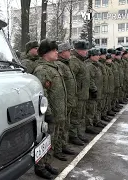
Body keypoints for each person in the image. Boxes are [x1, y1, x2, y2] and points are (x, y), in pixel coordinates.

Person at [32, 39, 64, 178]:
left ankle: (46, 163)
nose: (57, 52)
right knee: (44, 141)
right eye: (54, 50)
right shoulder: (42, 70)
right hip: (48, 114)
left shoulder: (53, 67)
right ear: (46, 53)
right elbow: (41, 95)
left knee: (52, 140)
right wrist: (48, 113)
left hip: (57, 111)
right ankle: (39, 166)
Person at [56, 42, 80, 155]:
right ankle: (58, 148)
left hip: (69, 100)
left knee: (66, 125)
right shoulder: (59, 65)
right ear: (61, 53)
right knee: (60, 127)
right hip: (62, 102)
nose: (70, 52)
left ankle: (63, 145)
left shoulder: (66, 63)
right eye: (68, 51)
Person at [69, 40, 91, 144]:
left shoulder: (81, 61)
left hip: (82, 94)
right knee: (75, 117)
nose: (86, 51)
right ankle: (73, 135)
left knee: (80, 116)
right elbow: (71, 79)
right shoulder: (74, 61)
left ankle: (79, 134)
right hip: (77, 95)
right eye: (84, 50)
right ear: (78, 50)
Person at [85, 49, 107, 132]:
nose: (98, 56)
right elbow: (90, 79)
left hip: (98, 90)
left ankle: (96, 121)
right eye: (96, 55)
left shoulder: (96, 65)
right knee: (90, 110)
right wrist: (94, 90)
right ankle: (89, 126)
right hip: (92, 92)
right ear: (91, 56)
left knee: (95, 108)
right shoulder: (89, 66)